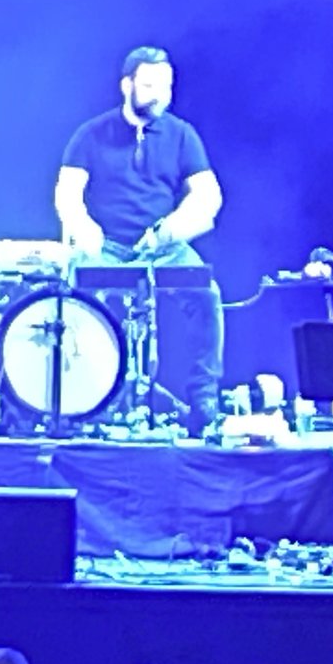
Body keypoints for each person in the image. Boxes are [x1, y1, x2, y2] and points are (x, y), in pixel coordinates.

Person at [55, 46, 225, 437]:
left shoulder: (182, 135)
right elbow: (67, 194)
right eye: (149, 86)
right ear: (126, 86)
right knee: (80, 303)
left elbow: (208, 196)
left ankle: (204, 398)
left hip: (163, 248)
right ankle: (91, 398)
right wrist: (84, 229)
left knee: (206, 294)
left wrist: (171, 230)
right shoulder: (91, 134)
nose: (159, 94)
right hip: (106, 246)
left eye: (165, 86)